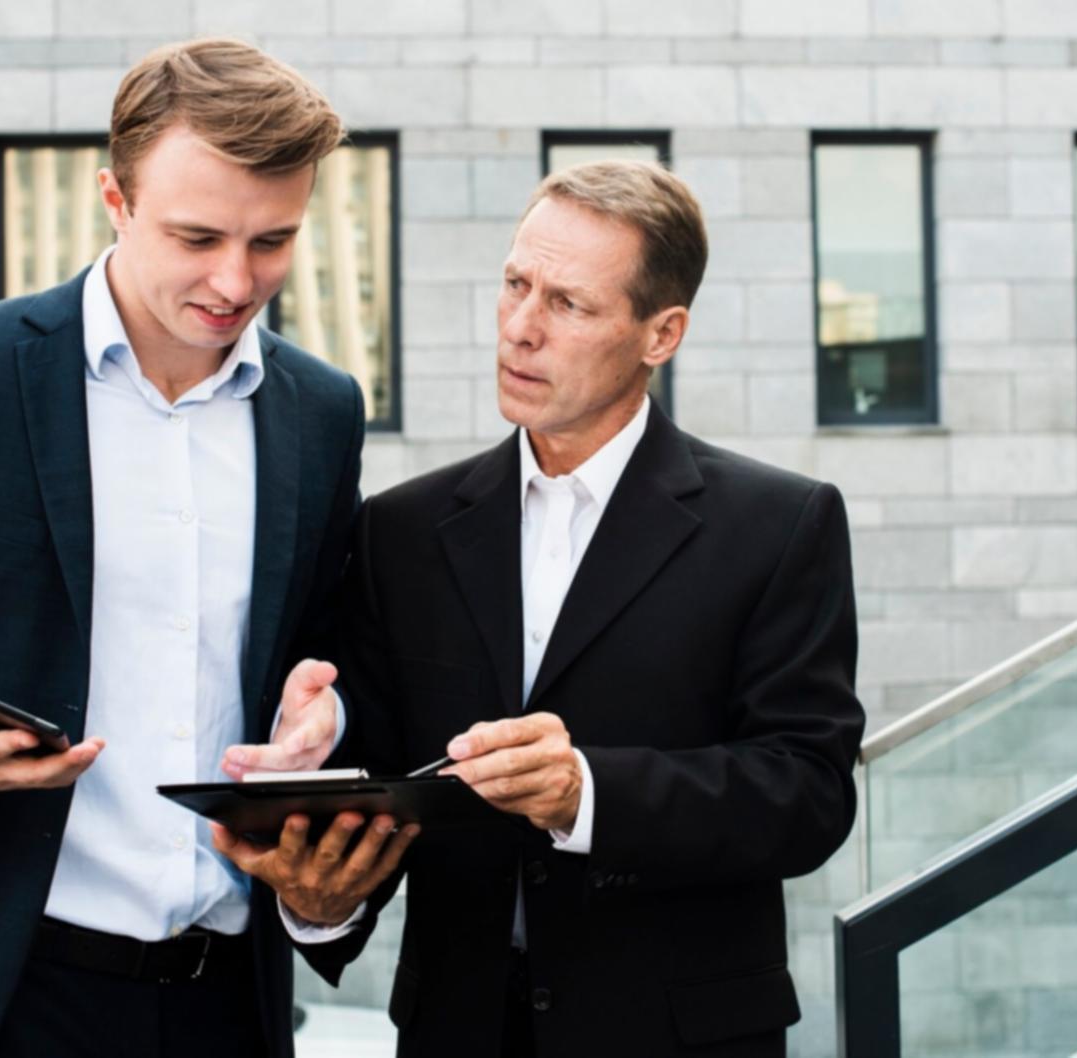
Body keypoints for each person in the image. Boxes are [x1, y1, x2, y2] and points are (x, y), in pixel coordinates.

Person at [0, 39, 369, 1058]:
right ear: (114, 198)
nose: (236, 279)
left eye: (273, 240)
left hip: (228, 1003)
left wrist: (327, 714)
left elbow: (329, 651)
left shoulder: (322, 409)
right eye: (197, 236)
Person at [216, 160, 866, 1058]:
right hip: (454, 1033)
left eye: (568, 304)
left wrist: (585, 794)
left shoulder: (779, 525)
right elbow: (382, 782)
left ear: (662, 334)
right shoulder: (402, 530)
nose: (521, 328)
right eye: (516, 284)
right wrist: (320, 899)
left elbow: (808, 793)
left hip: (678, 1039)